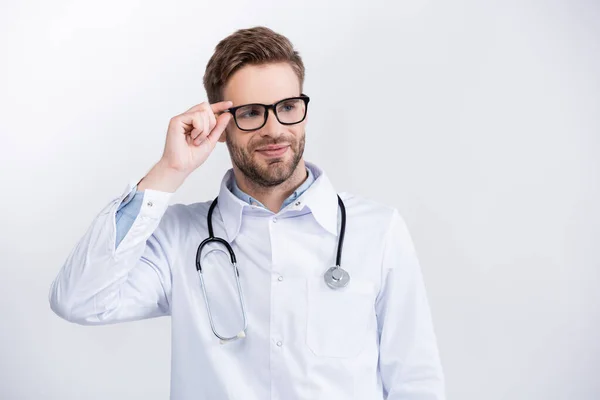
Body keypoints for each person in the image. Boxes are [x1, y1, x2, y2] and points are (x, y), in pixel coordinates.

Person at [49, 26, 446, 400]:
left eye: (288, 106)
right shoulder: (178, 238)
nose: (275, 129)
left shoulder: (377, 230)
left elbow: (415, 381)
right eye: (253, 112)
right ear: (221, 125)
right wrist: (170, 170)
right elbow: (79, 300)